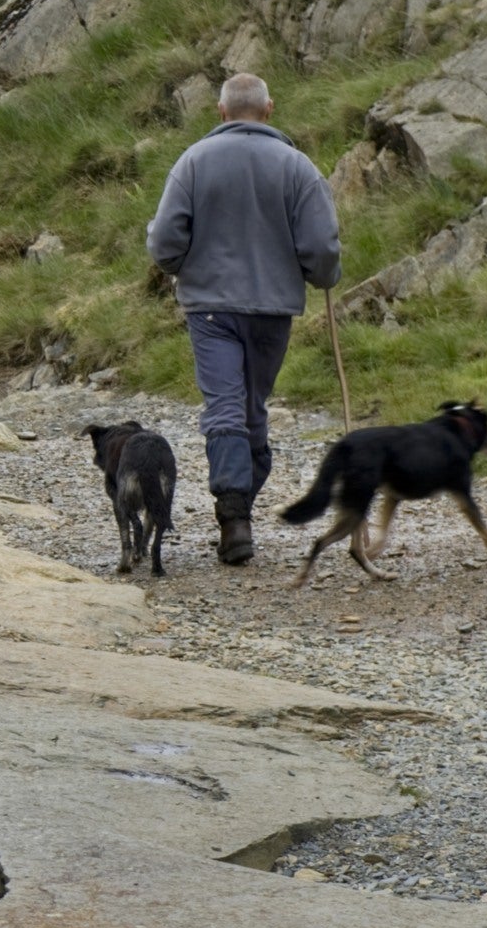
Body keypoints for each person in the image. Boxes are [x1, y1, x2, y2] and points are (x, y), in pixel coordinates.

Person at [145, 73, 340, 565]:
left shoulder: (192, 162)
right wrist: (323, 276)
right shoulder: (298, 167)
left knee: (225, 406)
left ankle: (235, 514)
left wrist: (178, 267)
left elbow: (165, 238)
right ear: (269, 110)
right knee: (252, 407)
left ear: (221, 110)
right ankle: (239, 511)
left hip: (210, 308)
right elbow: (320, 247)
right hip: (273, 309)